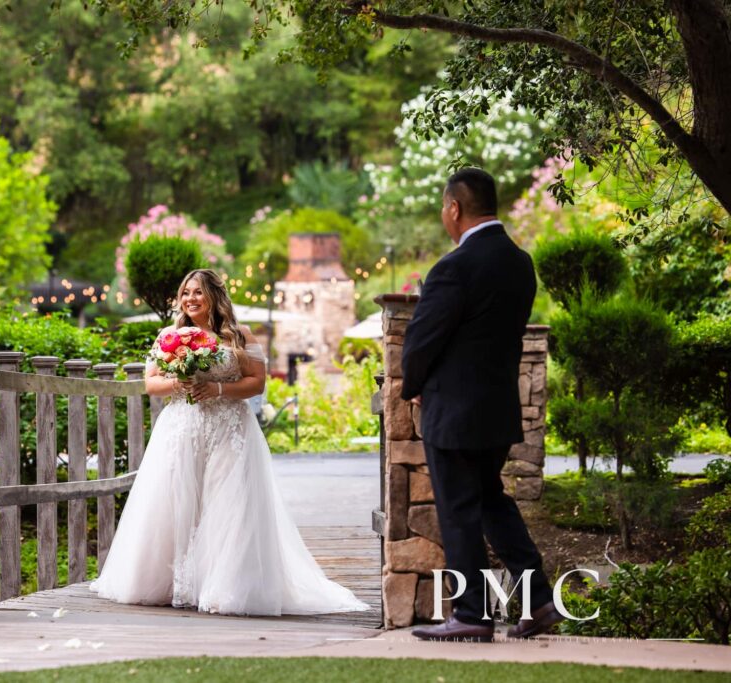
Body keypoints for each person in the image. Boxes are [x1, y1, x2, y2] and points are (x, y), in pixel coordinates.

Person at [90, 268, 369, 616]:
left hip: (230, 428)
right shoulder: (169, 335)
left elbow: (257, 382)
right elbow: (151, 383)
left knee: (228, 503)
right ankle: (170, 582)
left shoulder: (238, 335)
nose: (190, 299)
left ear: (214, 296)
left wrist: (218, 388)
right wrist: (182, 382)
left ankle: (224, 585)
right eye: (185, 292)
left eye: (198, 292)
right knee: (176, 500)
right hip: (182, 427)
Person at [401, 168, 564, 641]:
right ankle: (539, 601)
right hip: (496, 409)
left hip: (453, 412)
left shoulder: (454, 267)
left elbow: (422, 340)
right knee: (492, 501)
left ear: (455, 208)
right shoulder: (519, 262)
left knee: (458, 510)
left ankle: (471, 615)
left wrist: (412, 383)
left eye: (443, 208)